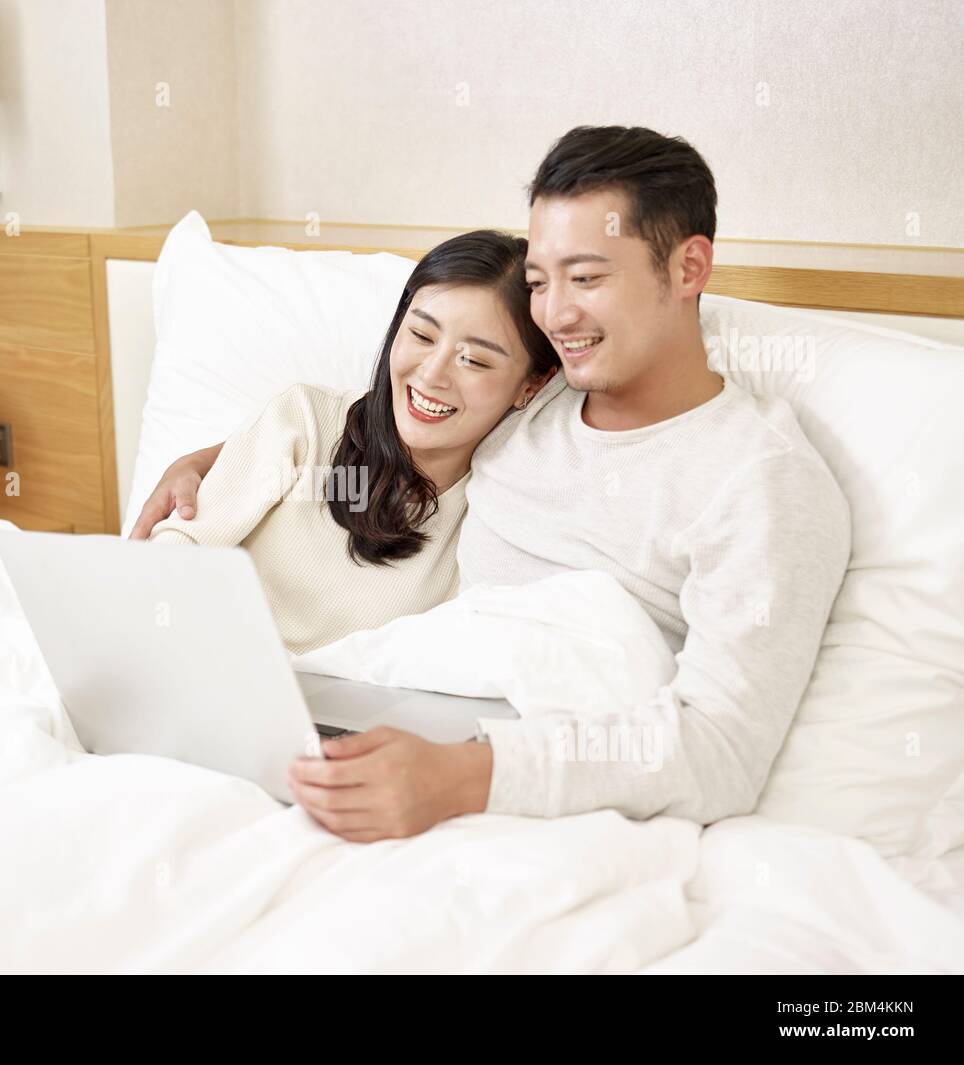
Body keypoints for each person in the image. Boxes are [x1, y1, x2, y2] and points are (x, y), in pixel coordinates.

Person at [133, 126, 852, 845]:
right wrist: (206, 461)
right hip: (380, 718)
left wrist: (463, 776)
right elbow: (396, 404)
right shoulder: (538, 397)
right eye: (541, 281)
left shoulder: (763, 481)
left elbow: (721, 752)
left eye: (589, 278)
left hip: (527, 782)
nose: (558, 314)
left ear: (689, 266)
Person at [145, 229, 558, 656]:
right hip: (201, 669)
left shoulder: (493, 523)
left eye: (473, 359)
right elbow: (169, 564)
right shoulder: (303, 422)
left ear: (531, 385)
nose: (433, 374)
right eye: (421, 336)